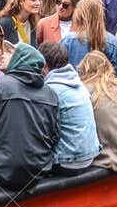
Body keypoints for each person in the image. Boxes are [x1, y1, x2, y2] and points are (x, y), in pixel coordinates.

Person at [0, 42, 60, 192]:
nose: (2, 55)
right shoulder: (50, 93)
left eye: (9, 53)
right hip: (40, 171)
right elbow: (55, 136)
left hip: (4, 172)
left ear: (20, 59)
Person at [36, 41, 98, 174]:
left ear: (44, 65)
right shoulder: (78, 83)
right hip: (90, 156)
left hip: (68, 162)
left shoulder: (50, 90)